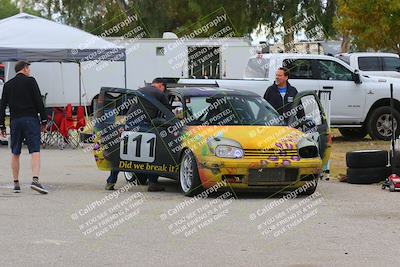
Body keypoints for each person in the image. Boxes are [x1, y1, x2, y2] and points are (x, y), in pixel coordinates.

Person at [105, 78, 170, 192]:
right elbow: (168, 112)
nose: (164, 91)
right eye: (164, 88)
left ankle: (111, 181)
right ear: (161, 85)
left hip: (129, 124)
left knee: (123, 153)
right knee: (152, 154)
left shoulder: (139, 90)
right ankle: (153, 183)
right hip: (145, 126)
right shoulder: (160, 93)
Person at [0, 61, 48, 194]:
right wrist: (44, 120)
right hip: (30, 120)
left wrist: (2, 125)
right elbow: (39, 101)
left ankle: (16, 183)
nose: (30, 71)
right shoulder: (31, 81)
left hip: (15, 121)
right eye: (29, 68)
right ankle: (35, 180)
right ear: (25, 68)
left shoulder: (8, 85)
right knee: (35, 151)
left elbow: (2, 106)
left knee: (15, 152)